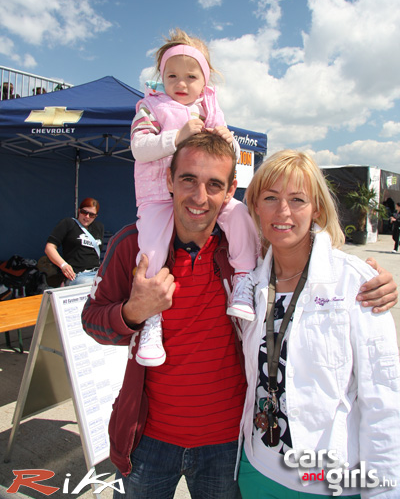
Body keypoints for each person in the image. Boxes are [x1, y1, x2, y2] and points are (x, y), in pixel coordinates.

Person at [81, 133, 397, 499]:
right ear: (169, 179)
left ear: (231, 190)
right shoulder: (134, 245)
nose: (199, 197)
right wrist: (133, 312)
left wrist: (367, 278)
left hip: (229, 445)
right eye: (188, 179)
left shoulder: (247, 250)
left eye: (214, 184)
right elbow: (92, 321)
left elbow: (303, 253)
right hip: (148, 440)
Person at [238, 150, 400, 498]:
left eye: (297, 199)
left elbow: (383, 401)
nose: (283, 211)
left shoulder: (356, 283)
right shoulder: (249, 285)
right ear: (255, 207)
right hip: (258, 471)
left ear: (317, 210)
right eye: (270, 198)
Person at [130, 28, 259, 367]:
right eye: (172, 75)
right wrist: (177, 137)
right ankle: (152, 318)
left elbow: (230, 155)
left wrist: (229, 141)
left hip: (202, 194)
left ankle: (244, 279)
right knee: (152, 249)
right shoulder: (150, 106)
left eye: (191, 76)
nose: (181, 83)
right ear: (161, 77)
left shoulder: (211, 107)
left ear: (205, 81)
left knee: (239, 214)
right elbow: (139, 148)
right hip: (157, 195)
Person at [45, 198, 104, 286]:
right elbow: (49, 247)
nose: (87, 217)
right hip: (78, 275)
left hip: (97, 272)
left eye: (91, 215)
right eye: (84, 212)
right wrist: (63, 265)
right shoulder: (68, 223)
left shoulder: (99, 227)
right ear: (79, 211)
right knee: (91, 284)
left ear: (96, 216)